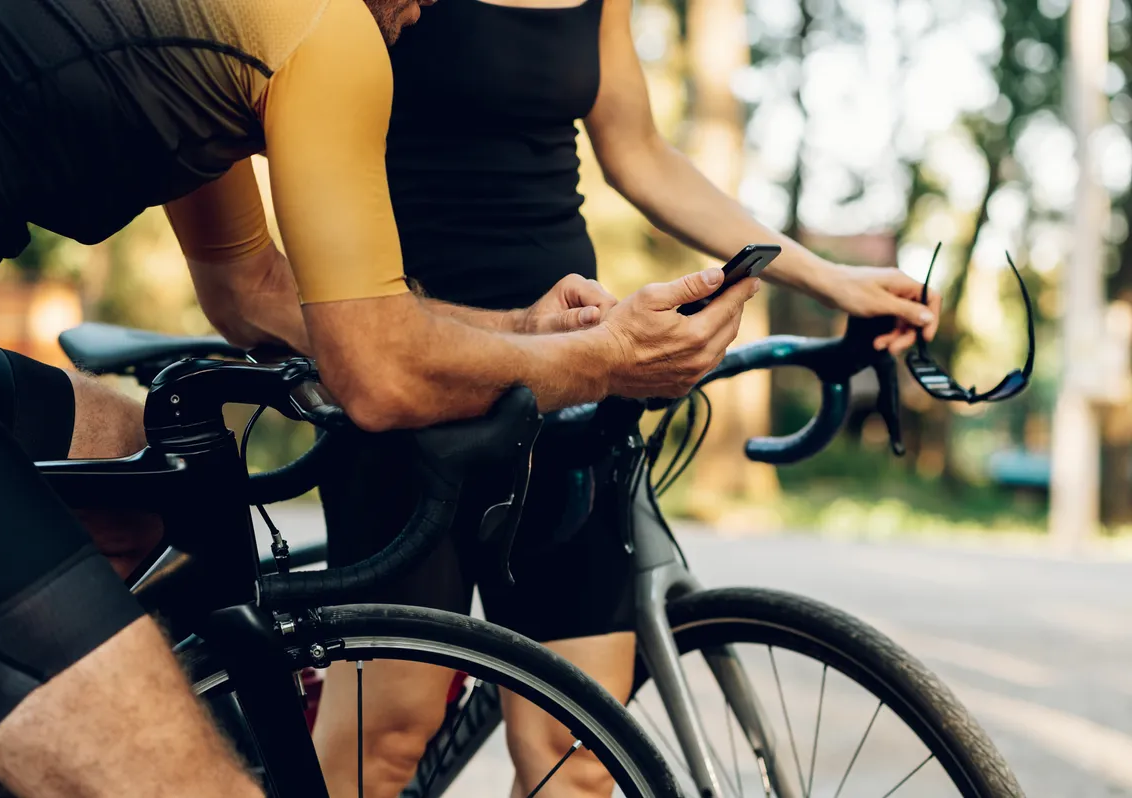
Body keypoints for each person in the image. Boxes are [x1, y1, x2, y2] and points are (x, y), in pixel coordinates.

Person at [0, 0, 771, 794]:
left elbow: (249, 289)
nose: (427, 12)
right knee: (190, 778)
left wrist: (519, 329)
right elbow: (377, 378)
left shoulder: (233, 32)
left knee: (123, 441)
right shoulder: (329, 34)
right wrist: (611, 360)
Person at [309, 1, 945, 796]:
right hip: (417, 364)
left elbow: (640, 151)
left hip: (577, 371)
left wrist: (829, 278)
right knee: (384, 741)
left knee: (577, 755)